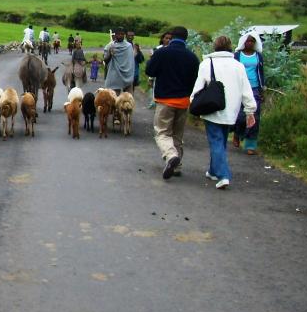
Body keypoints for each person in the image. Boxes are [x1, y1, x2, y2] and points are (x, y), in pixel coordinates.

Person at [191, 36, 257, 189]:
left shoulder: (207, 63)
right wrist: (250, 111)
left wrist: (192, 101)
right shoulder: (239, 66)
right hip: (231, 110)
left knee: (215, 141)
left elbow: (198, 87)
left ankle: (223, 175)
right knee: (221, 141)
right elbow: (246, 90)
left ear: (215, 47)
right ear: (230, 46)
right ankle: (213, 171)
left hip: (211, 107)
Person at [144, 26, 200, 180]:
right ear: (185, 38)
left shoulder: (162, 53)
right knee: (177, 135)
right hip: (183, 101)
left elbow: (150, 71)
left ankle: (171, 156)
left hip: (165, 100)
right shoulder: (192, 57)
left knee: (162, 132)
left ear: (172, 37)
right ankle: (177, 166)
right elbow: (196, 79)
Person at [233, 33, 265, 154]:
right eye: (248, 41)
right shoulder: (237, 55)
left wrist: (262, 89)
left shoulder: (258, 56)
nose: (250, 43)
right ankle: (237, 133)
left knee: (254, 115)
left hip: (255, 88)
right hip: (239, 87)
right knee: (240, 115)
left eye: (252, 41)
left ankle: (250, 145)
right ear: (243, 42)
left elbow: (261, 73)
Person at [103, 27, 135, 94]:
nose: (120, 36)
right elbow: (105, 61)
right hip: (114, 75)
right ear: (115, 35)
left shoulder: (128, 46)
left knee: (128, 99)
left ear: (124, 35)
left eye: (122, 34)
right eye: (118, 34)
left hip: (127, 75)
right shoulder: (110, 46)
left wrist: (131, 74)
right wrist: (110, 54)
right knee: (113, 98)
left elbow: (131, 62)